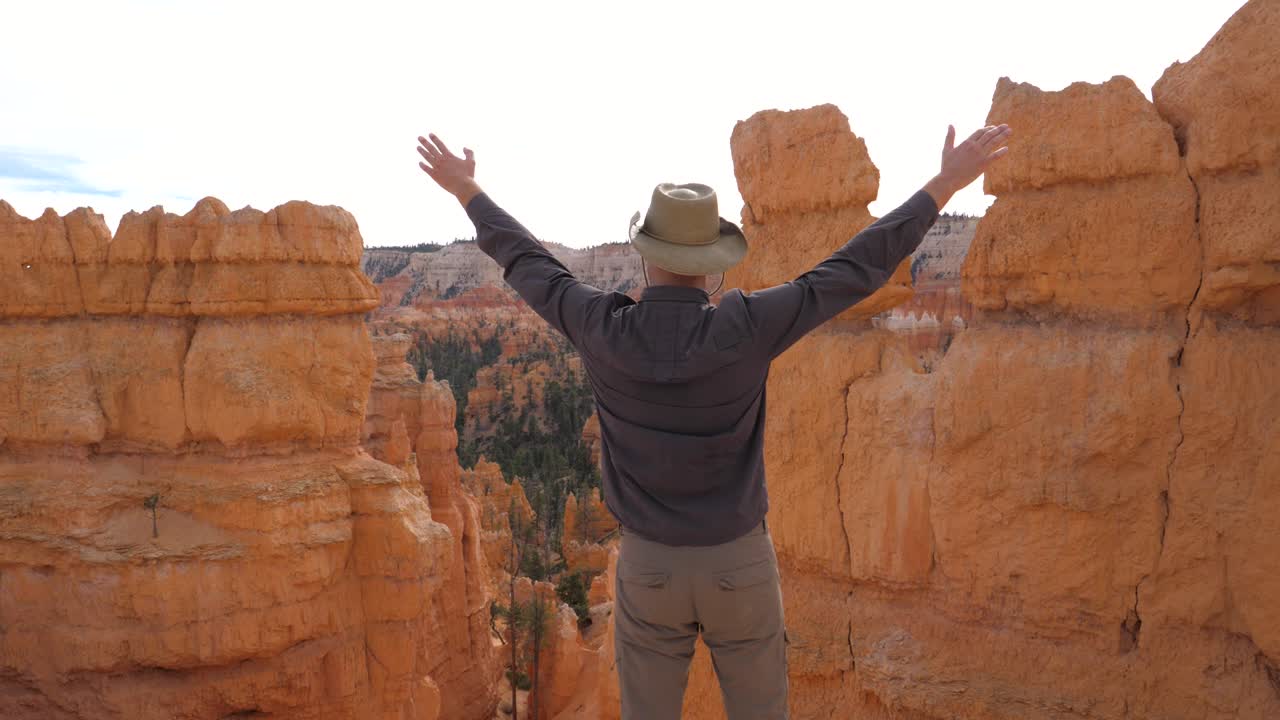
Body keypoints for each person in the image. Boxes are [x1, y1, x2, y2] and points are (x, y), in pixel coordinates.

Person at [415, 122, 1011, 720]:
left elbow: (528, 262)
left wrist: (467, 190)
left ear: (647, 258)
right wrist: (947, 182)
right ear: (712, 265)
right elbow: (855, 267)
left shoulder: (600, 326)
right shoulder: (746, 325)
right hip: (738, 563)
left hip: (648, 566)